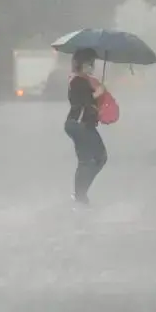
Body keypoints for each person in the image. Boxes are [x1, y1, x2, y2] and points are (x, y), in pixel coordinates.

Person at [64, 48, 108, 205]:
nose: (92, 66)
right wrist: (97, 93)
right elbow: (83, 101)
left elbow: (93, 104)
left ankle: (81, 194)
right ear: (82, 64)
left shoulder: (84, 81)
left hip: (85, 125)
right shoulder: (77, 80)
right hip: (78, 124)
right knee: (86, 160)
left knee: (100, 157)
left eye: (93, 63)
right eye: (90, 63)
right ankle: (79, 196)